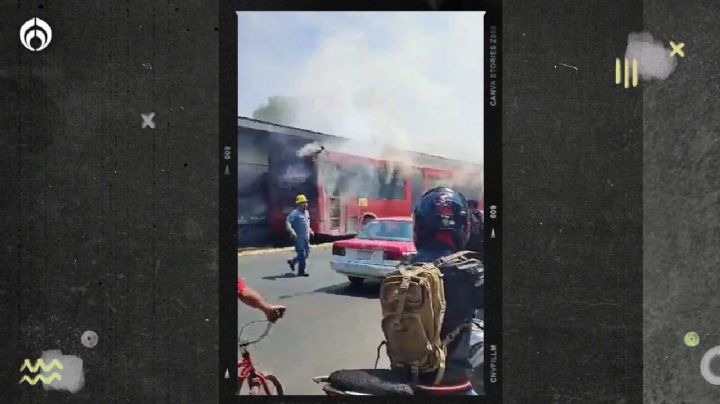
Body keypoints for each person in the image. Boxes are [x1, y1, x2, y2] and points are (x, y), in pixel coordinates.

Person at [409, 187, 484, 395]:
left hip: (407, 377)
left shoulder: (405, 267)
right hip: (452, 384)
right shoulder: (470, 272)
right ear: (464, 227)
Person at [286, 194, 314, 277]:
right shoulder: (295, 213)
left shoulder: (306, 212)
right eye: (303, 203)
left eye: (305, 202)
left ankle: (293, 261)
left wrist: (310, 230)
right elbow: (288, 222)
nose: (305, 204)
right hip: (299, 238)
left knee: (307, 254)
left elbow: (307, 223)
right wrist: (292, 231)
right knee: (301, 255)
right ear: (298, 204)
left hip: (306, 237)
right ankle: (301, 271)